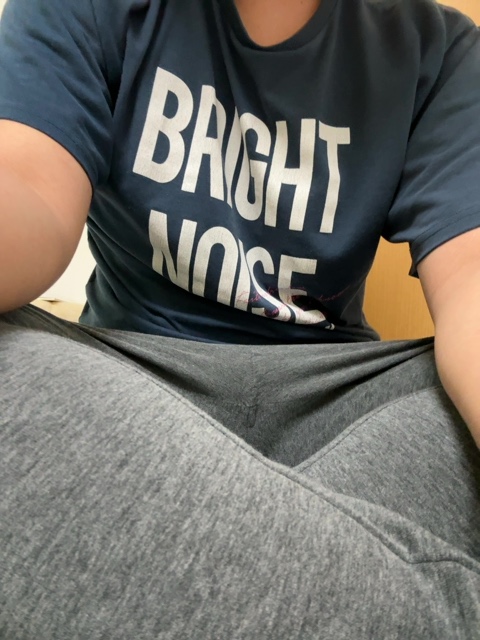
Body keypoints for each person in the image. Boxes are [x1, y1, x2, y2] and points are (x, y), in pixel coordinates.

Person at [0, 0, 479, 636]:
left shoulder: (441, 50)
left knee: (446, 416)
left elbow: (472, 277)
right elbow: (26, 183)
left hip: (339, 399)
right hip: (125, 379)